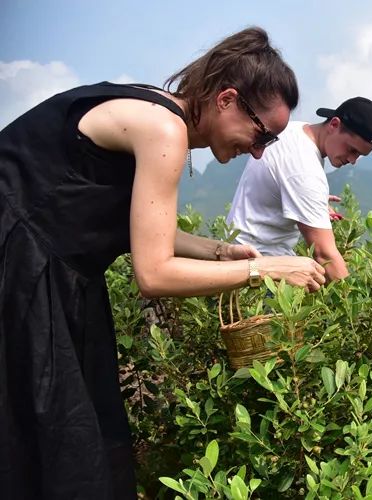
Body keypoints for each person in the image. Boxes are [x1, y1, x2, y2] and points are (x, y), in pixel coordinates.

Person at [0, 27, 326, 498]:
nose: (258, 151)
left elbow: (138, 226)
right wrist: (269, 269)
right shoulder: (163, 128)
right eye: (261, 133)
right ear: (227, 99)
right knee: (49, 450)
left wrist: (220, 251)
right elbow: (153, 274)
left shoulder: (159, 111)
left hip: (51, 276)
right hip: (22, 273)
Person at [226, 96, 372, 280]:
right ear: (334, 124)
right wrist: (355, 304)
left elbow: (283, 182)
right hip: (260, 271)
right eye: (352, 150)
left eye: (359, 155)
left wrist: (313, 202)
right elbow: (325, 255)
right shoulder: (305, 170)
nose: (352, 160)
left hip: (239, 256)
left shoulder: (293, 130)